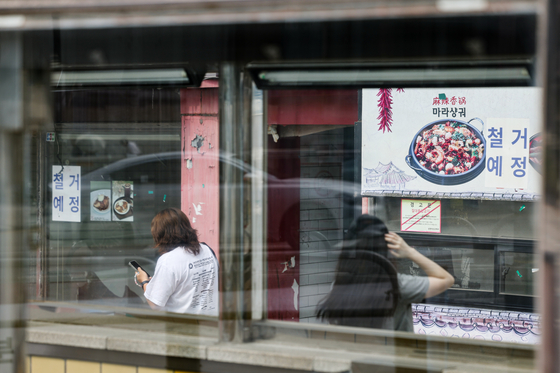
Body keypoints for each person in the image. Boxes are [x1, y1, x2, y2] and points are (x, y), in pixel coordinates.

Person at [317, 215, 453, 332]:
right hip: (394, 358)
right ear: (385, 249)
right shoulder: (398, 286)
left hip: (357, 356)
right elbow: (446, 279)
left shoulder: (340, 285)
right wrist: (409, 252)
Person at [134, 208, 218, 316]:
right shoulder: (207, 249)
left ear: (160, 234)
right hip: (211, 321)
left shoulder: (168, 260)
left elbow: (155, 304)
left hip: (183, 326)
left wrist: (144, 281)